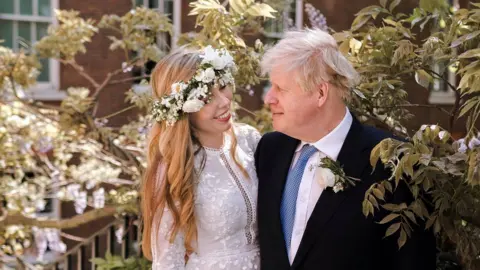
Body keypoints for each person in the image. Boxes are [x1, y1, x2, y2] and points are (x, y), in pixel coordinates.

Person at [255, 28, 436, 270]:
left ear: (320, 92)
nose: (269, 99)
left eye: (281, 89)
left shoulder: (393, 162)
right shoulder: (269, 150)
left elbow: (414, 262)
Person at [141, 45, 261, 270]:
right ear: (182, 109)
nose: (224, 101)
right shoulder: (173, 167)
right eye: (206, 98)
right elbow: (168, 262)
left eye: (223, 87)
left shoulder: (250, 140)